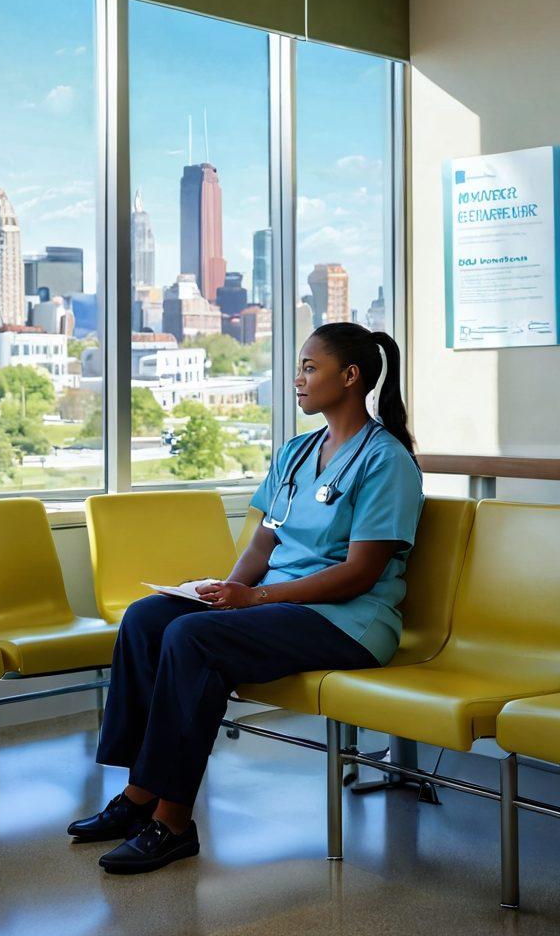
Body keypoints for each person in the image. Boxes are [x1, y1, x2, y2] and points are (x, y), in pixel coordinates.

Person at [68, 323, 424, 875]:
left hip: (349, 621)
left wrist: (252, 598)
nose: (298, 379)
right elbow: (265, 538)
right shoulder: (298, 451)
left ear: (350, 377)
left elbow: (359, 574)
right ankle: (138, 796)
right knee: (145, 619)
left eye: (310, 367)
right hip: (279, 605)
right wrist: (225, 594)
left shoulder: (387, 461)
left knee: (192, 639)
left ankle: (173, 822)